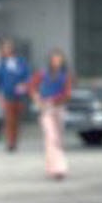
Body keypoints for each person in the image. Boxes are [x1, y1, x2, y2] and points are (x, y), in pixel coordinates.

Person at [30, 49, 73, 179]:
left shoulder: (65, 76)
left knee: (57, 139)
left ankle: (51, 166)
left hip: (59, 108)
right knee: (51, 137)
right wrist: (37, 99)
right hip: (46, 109)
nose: (56, 62)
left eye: (59, 60)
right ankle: (59, 167)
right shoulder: (42, 74)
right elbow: (32, 87)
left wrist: (55, 100)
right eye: (54, 59)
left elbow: (67, 93)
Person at [0, 39, 31, 151]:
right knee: (9, 120)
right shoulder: (1, 64)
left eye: (7, 48)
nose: (5, 51)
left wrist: (24, 85)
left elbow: (27, 75)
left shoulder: (21, 62)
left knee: (17, 120)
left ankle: (15, 140)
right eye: (4, 49)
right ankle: (10, 142)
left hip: (19, 95)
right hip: (7, 95)